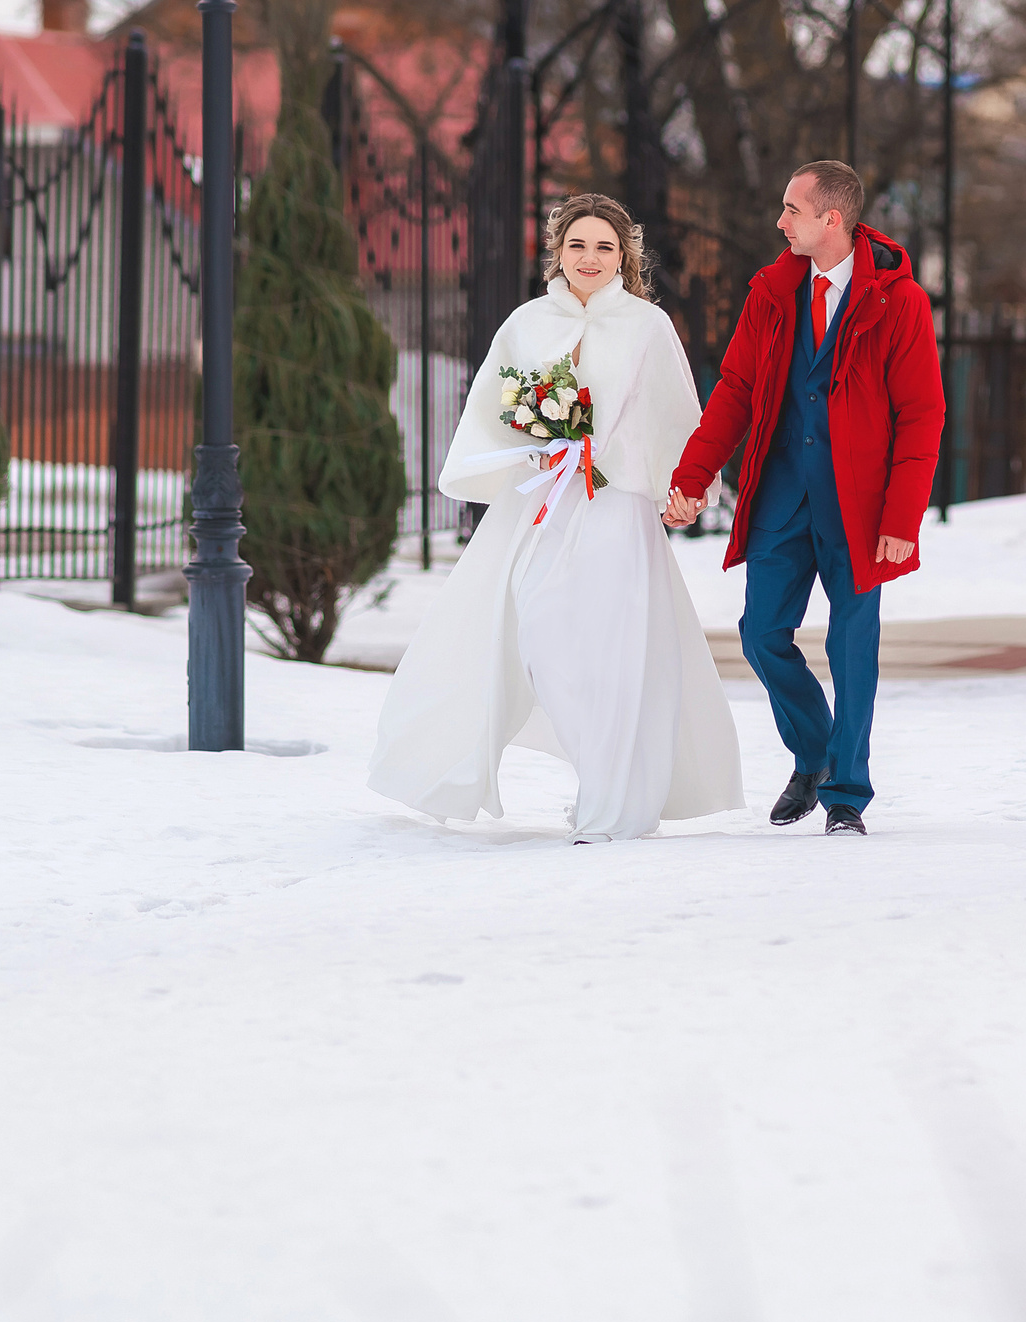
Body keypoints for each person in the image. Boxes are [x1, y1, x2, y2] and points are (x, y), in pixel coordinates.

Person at [368, 194, 743, 842]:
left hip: (615, 506)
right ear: (558, 252)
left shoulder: (648, 326)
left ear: (624, 254)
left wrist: (680, 487)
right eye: (578, 245)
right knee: (542, 635)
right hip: (544, 504)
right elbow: (494, 404)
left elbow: (674, 414)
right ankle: (597, 774)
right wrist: (539, 434)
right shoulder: (527, 323)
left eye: (604, 246)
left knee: (613, 650)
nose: (590, 258)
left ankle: (611, 801)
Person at [662, 161, 944, 835]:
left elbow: (922, 415)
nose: (780, 221)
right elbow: (733, 392)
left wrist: (902, 518)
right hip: (783, 496)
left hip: (862, 506)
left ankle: (847, 793)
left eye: (792, 209)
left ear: (831, 219)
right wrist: (693, 478)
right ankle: (814, 754)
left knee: (853, 648)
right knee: (761, 634)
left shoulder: (899, 301)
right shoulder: (772, 294)